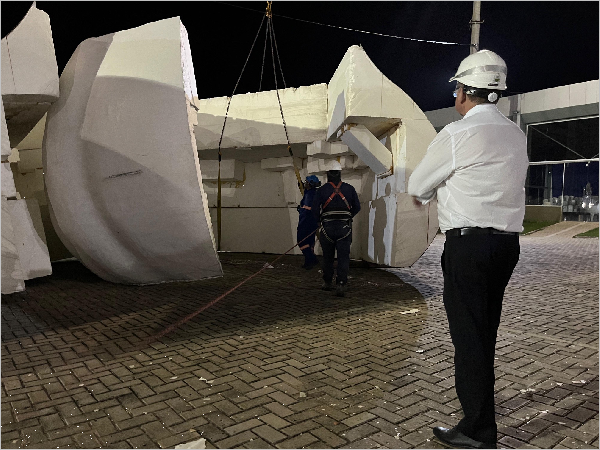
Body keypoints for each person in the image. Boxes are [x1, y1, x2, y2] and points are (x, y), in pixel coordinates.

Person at [407, 49, 528, 449]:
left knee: (468, 340)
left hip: (468, 248)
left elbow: (418, 187)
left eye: (457, 88)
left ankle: (478, 431)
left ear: (463, 92)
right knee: (484, 335)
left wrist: (436, 188)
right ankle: (479, 421)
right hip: (506, 247)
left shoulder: (456, 134)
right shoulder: (516, 134)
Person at [312, 161, 361, 297]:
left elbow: (315, 210)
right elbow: (357, 207)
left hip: (327, 228)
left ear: (328, 174)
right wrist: (347, 217)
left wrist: (318, 222)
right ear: (340, 173)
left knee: (327, 258)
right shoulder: (349, 189)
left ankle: (327, 282)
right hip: (344, 229)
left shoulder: (321, 190)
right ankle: (341, 284)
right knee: (343, 258)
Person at [296, 175, 321, 269]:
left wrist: (300, 210)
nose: (305, 184)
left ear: (310, 184)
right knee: (310, 242)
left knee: (301, 241)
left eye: (306, 182)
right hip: (313, 223)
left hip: (306, 222)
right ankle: (309, 261)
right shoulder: (314, 193)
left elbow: (306, 210)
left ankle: (311, 259)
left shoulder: (309, 195)